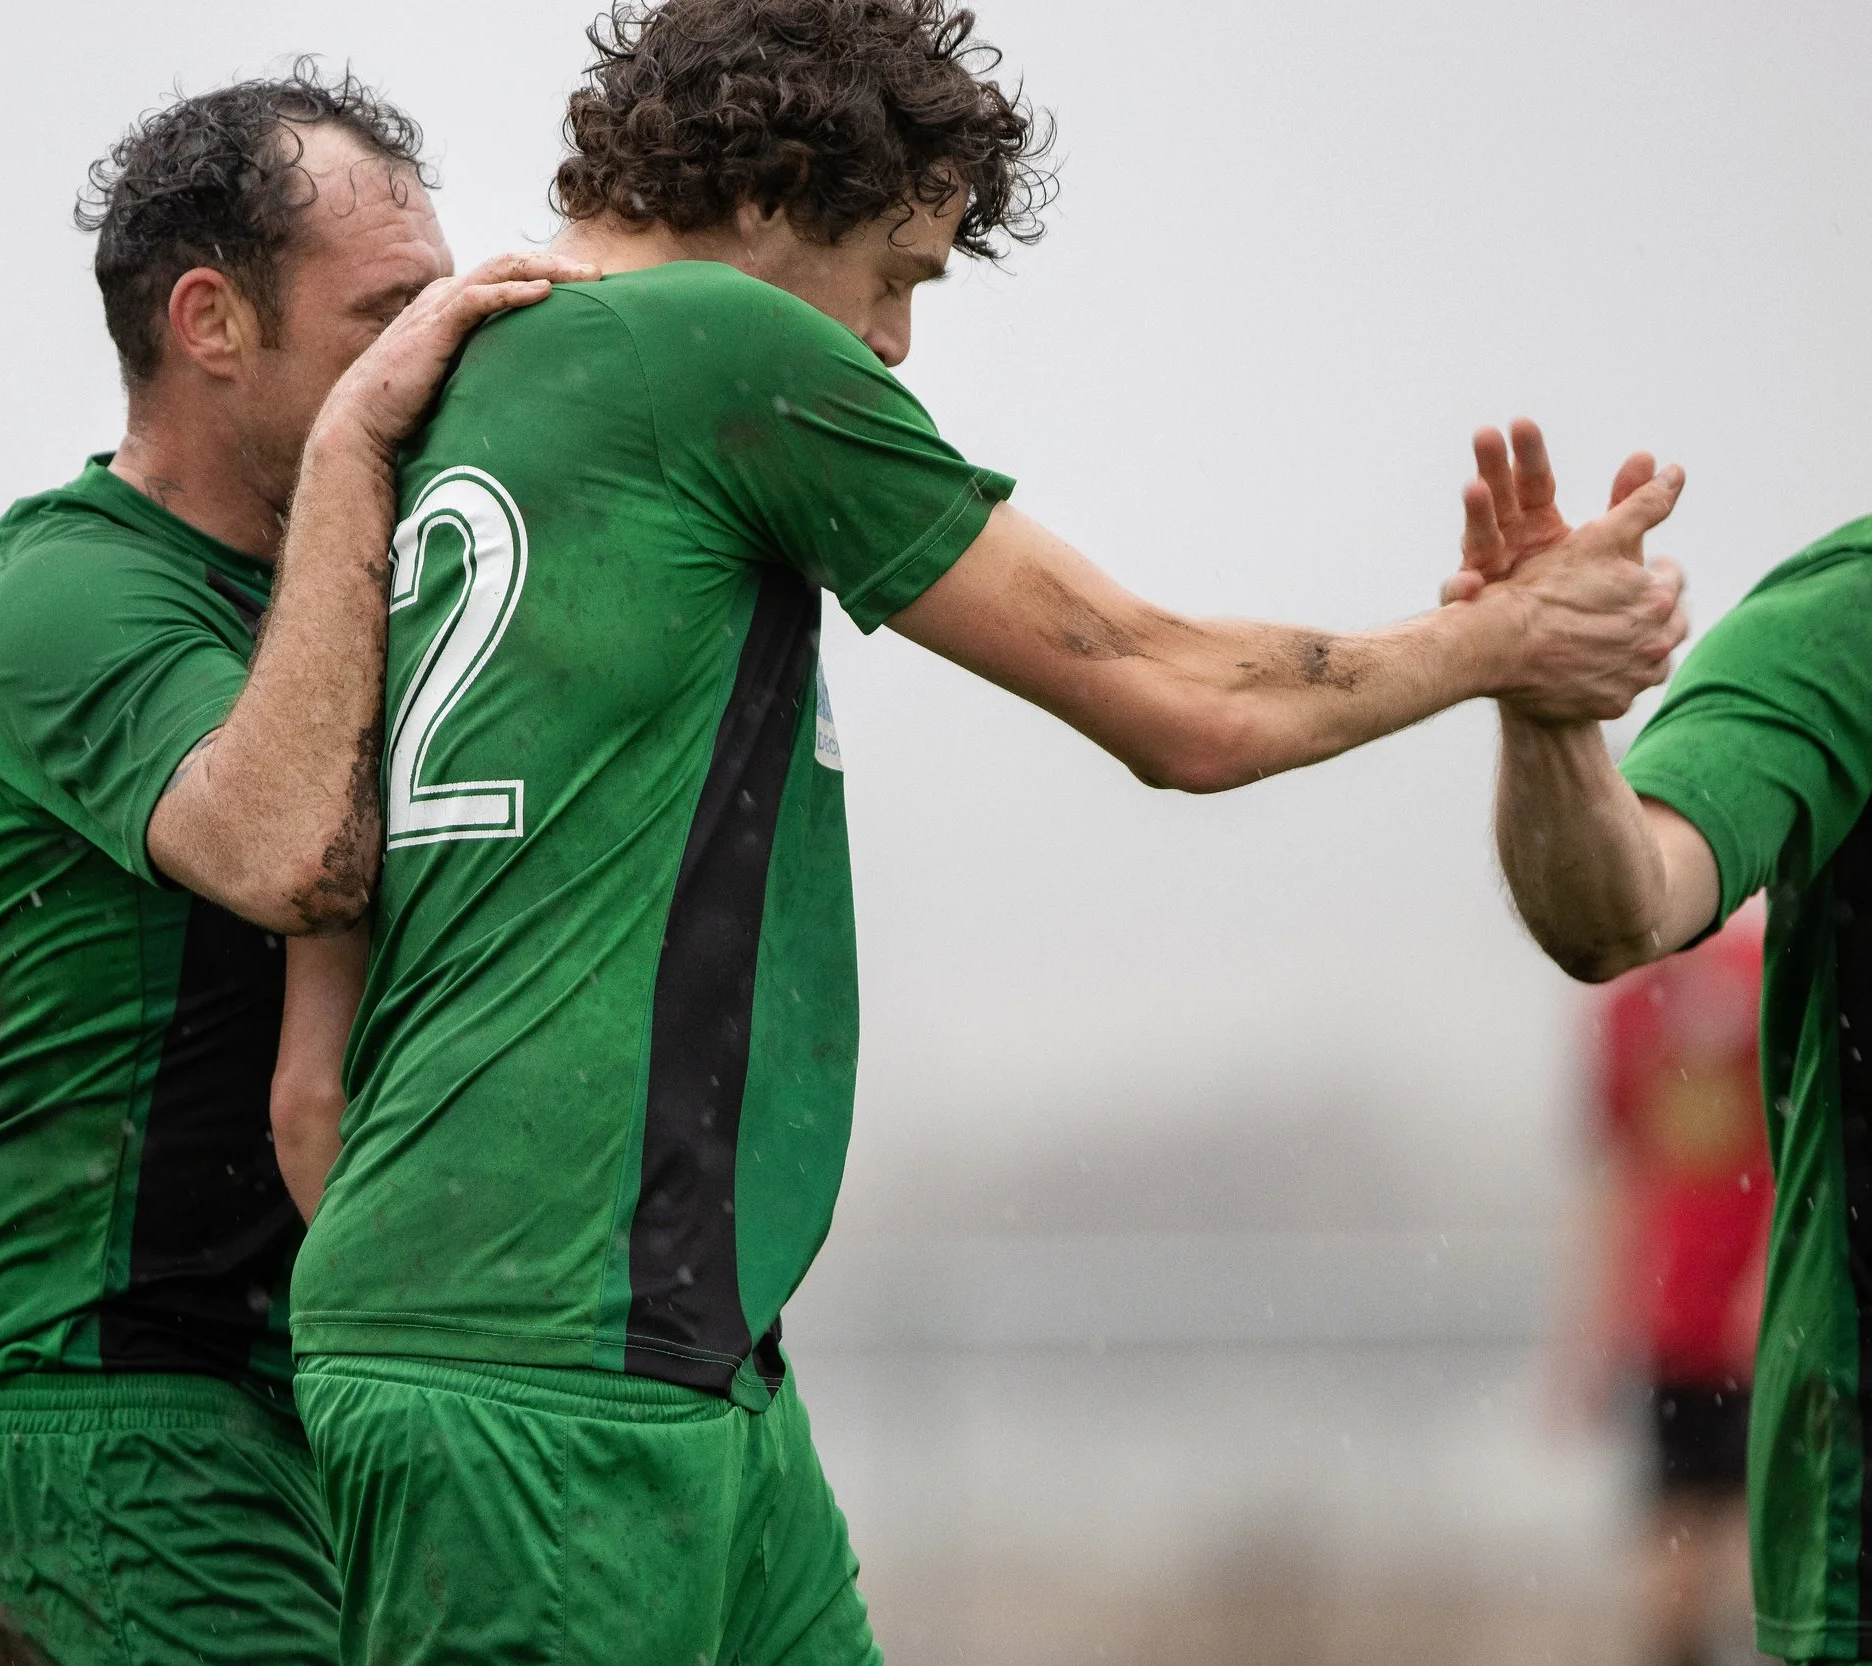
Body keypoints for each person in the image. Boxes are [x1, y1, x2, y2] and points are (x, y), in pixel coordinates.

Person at [266, 3, 1692, 1661]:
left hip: (626, 1341)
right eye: (901, 276)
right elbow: (1173, 698)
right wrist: (1493, 647)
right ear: (779, 194)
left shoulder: (449, 376)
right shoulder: (720, 344)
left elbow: (312, 1080)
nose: (894, 347)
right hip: (559, 1374)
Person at [0, 71, 592, 1664]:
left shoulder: (372, 582)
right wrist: (355, 459)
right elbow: (287, 848)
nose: (437, 355)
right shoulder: (64, 591)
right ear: (211, 322)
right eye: (388, 316)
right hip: (96, 1404)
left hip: (290, 1408)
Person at [1480, 418, 1871, 1661]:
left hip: (1752, 1324)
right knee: (1669, 1594)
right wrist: (1587, 1336)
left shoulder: (1756, 971)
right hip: (1707, 1341)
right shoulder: (1840, 627)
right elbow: (1616, 913)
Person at [1565, 909, 1771, 1666]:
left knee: (1767, 1554)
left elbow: (1812, 1143)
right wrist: (1588, 1338)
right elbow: (1618, 1179)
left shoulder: (1771, 974)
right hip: (1674, 1331)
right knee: (1671, 1564)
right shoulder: (1626, 1009)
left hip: (1773, 1331)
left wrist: (1770, 1281)